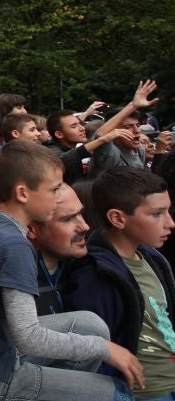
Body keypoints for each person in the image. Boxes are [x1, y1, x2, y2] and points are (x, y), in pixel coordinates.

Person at [0, 141, 143, 401]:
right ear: (23, 193)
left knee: (90, 325)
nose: (59, 198)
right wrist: (105, 350)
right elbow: (28, 337)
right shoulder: (13, 245)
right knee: (119, 393)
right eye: (54, 189)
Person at [64, 168, 175, 399]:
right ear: (117, 218)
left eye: (168, 211)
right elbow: (95, 349)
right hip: (144, 392)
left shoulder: (151, 258)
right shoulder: (96, 275)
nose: (170, 223)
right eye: (157, 214)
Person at [27, 183, 91, 315]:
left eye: (81, 214)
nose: (85, 226)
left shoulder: (90, 269)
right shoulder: (16, 284)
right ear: (31, 229)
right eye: (68, 219)